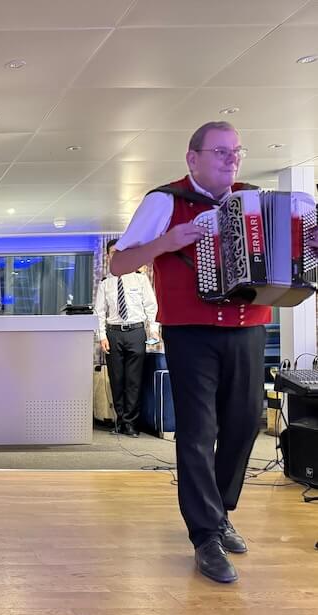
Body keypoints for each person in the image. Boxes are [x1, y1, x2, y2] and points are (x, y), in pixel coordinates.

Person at [110, 120, 267, 584]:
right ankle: (204, 536)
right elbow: (120, 262)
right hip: (190, 332)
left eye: (236, 151)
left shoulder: (253, 199)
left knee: (243, 424)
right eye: (221, 151)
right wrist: (166, 242)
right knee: (198, 431)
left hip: (249, 327)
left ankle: (219, 514)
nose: (231, 159)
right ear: (192, 157)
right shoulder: (165, 201)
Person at [94, 240, 159, 437]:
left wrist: (153, 331)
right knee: (117, 379)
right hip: (113, 333)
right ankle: (119, 421)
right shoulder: (106, 283)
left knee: (134, 380)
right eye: (113, 252)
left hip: (136, 332)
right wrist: (102, 336)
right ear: (108, 256)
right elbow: (99, 312)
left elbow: (151, 307)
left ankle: (131, 423)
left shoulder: (140, 279)